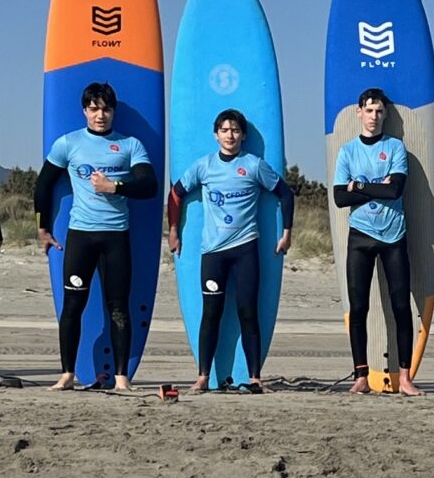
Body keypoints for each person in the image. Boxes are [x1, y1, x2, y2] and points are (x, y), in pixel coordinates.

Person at [36, 82, 157, 391]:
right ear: (85, 111)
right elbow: (43, 184)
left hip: (116, 237)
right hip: (81, 236)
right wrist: (43, 228)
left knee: (118, 308)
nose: (100, 115)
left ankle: (121, 378)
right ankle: (67, 374)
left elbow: (149, 186)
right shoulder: (69, 143)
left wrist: (114, 187)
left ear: (113, 112)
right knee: (72, 306)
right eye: (94, 109)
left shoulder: (130, 145)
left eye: (106, 109)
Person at [165, 109, 295, 395]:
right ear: (216, 135)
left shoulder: (254, 165)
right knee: (211, 313)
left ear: (243, 135)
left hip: (246, 249)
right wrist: (173, 230)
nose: (230, 135)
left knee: (248, 311)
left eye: (235, 130)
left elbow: (285, 194)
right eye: (224, 130)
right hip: (213, 252)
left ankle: (255, 378)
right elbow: (176, 193)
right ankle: (202, 377)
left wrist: (286, 233)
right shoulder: (204, 166)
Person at [330, 87, 423, 396]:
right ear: (359, 113)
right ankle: (361, 376)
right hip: (360, 236)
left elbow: (395, 190)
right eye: (369, 110)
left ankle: (405, 378)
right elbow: (340, 197)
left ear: (385, 115)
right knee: (359, 308)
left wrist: (358, 186)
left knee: (400, 306)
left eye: (379, 111)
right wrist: (374, 187)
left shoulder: (395, 147)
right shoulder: (347, 151)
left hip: (393, 235)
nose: (374, 116)